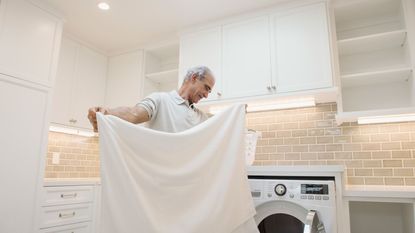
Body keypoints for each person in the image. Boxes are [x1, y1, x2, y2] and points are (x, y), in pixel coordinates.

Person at [87, 66, 215, 133]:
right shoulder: (160, 100)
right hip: (159, 181)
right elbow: (134, 114)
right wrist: (107, 113)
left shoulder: (201, 118)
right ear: (193, 78)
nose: (206, 95)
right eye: (206, 88)